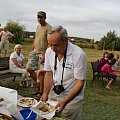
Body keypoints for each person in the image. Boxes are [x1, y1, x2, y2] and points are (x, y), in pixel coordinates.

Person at [40, 26, 87, 120]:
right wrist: (45, 93)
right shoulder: (49, 51)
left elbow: (79, 83)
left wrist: (65, 101)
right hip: (53, 94)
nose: (53, 49)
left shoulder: (78, 54)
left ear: (66, 41)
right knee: (47, 116)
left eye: (56, 45)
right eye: (50, 44)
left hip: (72, 98)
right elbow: (49, 74)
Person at [26, 11, 52, 96]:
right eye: (38, 17)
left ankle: (41, 91)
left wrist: (45, 55)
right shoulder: (38, 27)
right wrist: (32, 49)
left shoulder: (48, 28)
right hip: (35, 51)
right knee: (29, 68)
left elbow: (50, 42)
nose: (39, 19)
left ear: (45, 18)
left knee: (41, 72)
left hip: (43, 53)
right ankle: (38, 83)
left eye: (41, 17)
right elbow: (36, 39)